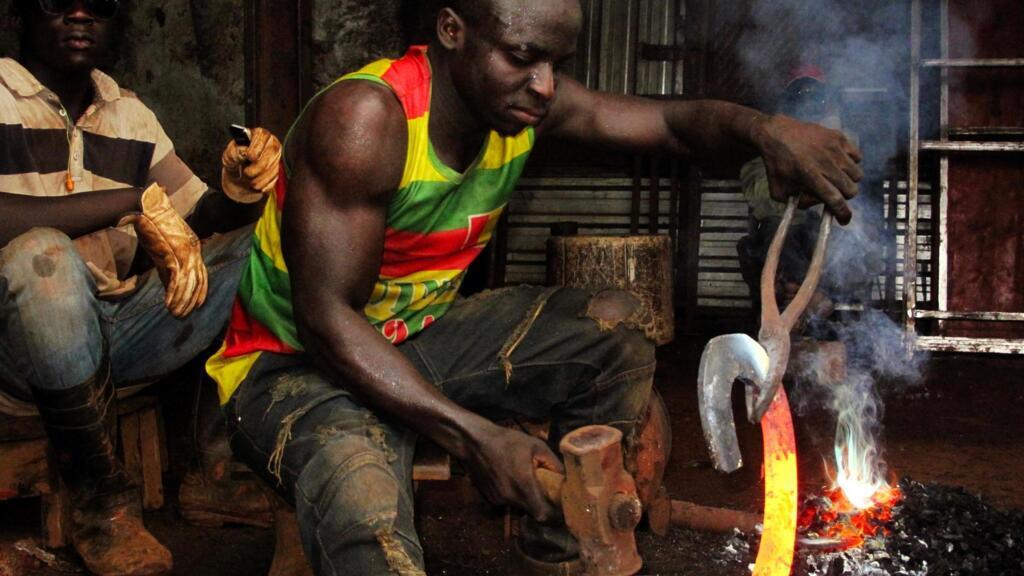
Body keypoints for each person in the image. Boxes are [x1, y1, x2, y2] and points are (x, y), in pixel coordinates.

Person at [205, 1, 863, 574]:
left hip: (416, 338)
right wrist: (474, 437)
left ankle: (563, 547)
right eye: (523, 57)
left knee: (612, 333)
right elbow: (325, 320)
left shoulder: (523, 107)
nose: (545, 85)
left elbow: (671, 124)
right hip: (293, 366)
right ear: (453, 31)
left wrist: (764, 131)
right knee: (366, 516)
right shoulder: (367, 119)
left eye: (556, 63)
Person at [0, 1, 281, 574]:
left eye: (99, 5)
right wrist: (130, 202)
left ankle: (217, 470)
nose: (81, 15)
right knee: (41, 255)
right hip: (14, 350)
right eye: (58, 1)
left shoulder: (128, 113)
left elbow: (191, 216)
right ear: (21, 14)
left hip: (117, 332)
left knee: (271, 245)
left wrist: (239, 191)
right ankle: (102, 508)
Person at [737, 65, 878, 322]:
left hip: (835, 245)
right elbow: (761, 197)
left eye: (815, 98)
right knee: (773, 231)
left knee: (835, 239)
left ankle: (810, 299)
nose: (807, 105)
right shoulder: (771, 142)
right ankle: (793, 304)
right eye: (799, 98)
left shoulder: (842, 140)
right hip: (788, 240)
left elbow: (851, 199)